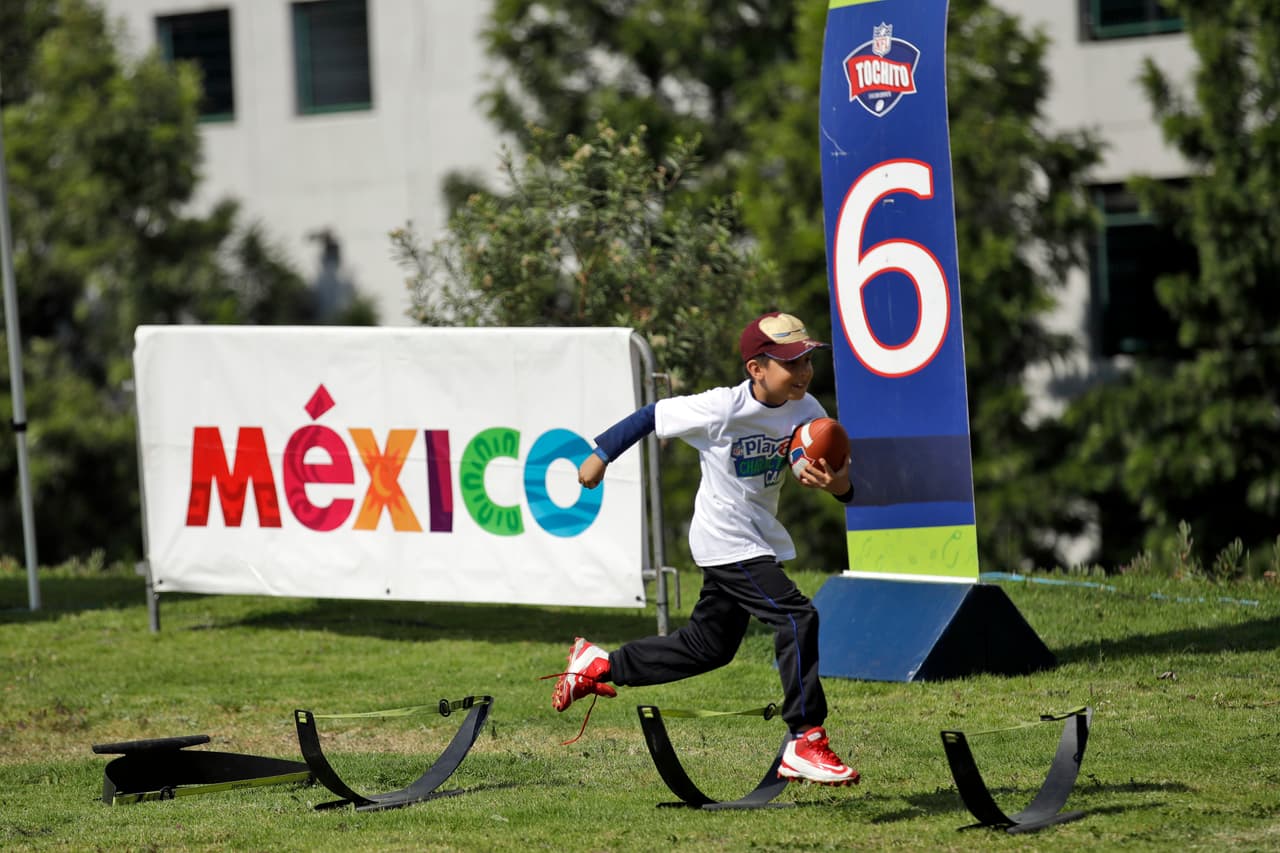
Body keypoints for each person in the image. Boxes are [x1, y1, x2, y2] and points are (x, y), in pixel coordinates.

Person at [550, 311, 859, 786]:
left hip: (755, 538)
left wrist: (837, 485)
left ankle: (601, 664)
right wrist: (601, 455)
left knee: (708, 648)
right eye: (790, 363)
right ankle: (805, 738)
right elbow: (652, 414)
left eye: (807, 361)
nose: (803, 372)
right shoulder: (722, 408)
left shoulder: (808, 410)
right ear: (756, 369)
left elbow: (842, 485)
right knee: (796, 616)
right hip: (727, 538)